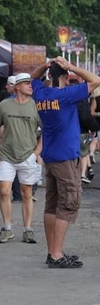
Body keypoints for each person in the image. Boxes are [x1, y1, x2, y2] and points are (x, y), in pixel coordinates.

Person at [29, 57, 100, 267]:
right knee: (68, 203)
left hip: (50, 156)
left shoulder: (41, 93)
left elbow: (32, 78)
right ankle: (57, 254)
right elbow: (96, 80)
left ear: (49, 75)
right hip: (66, 157)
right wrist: (72, 66)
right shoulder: (66, 95)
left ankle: (52, 252)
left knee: (52, 204)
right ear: (66, 76)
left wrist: (44, 65)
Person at [0, 73, 41, 244]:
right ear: (17, 86)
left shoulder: (36, 106)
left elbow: (47, 130)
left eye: (30, 83)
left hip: (28, 155)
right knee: (4, 191)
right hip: (7, 155)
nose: (30, 86)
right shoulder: (5, 105)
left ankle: (28, 230)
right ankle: (7, 228)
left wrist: (36, 153)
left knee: (26, 193)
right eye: (26, 83)